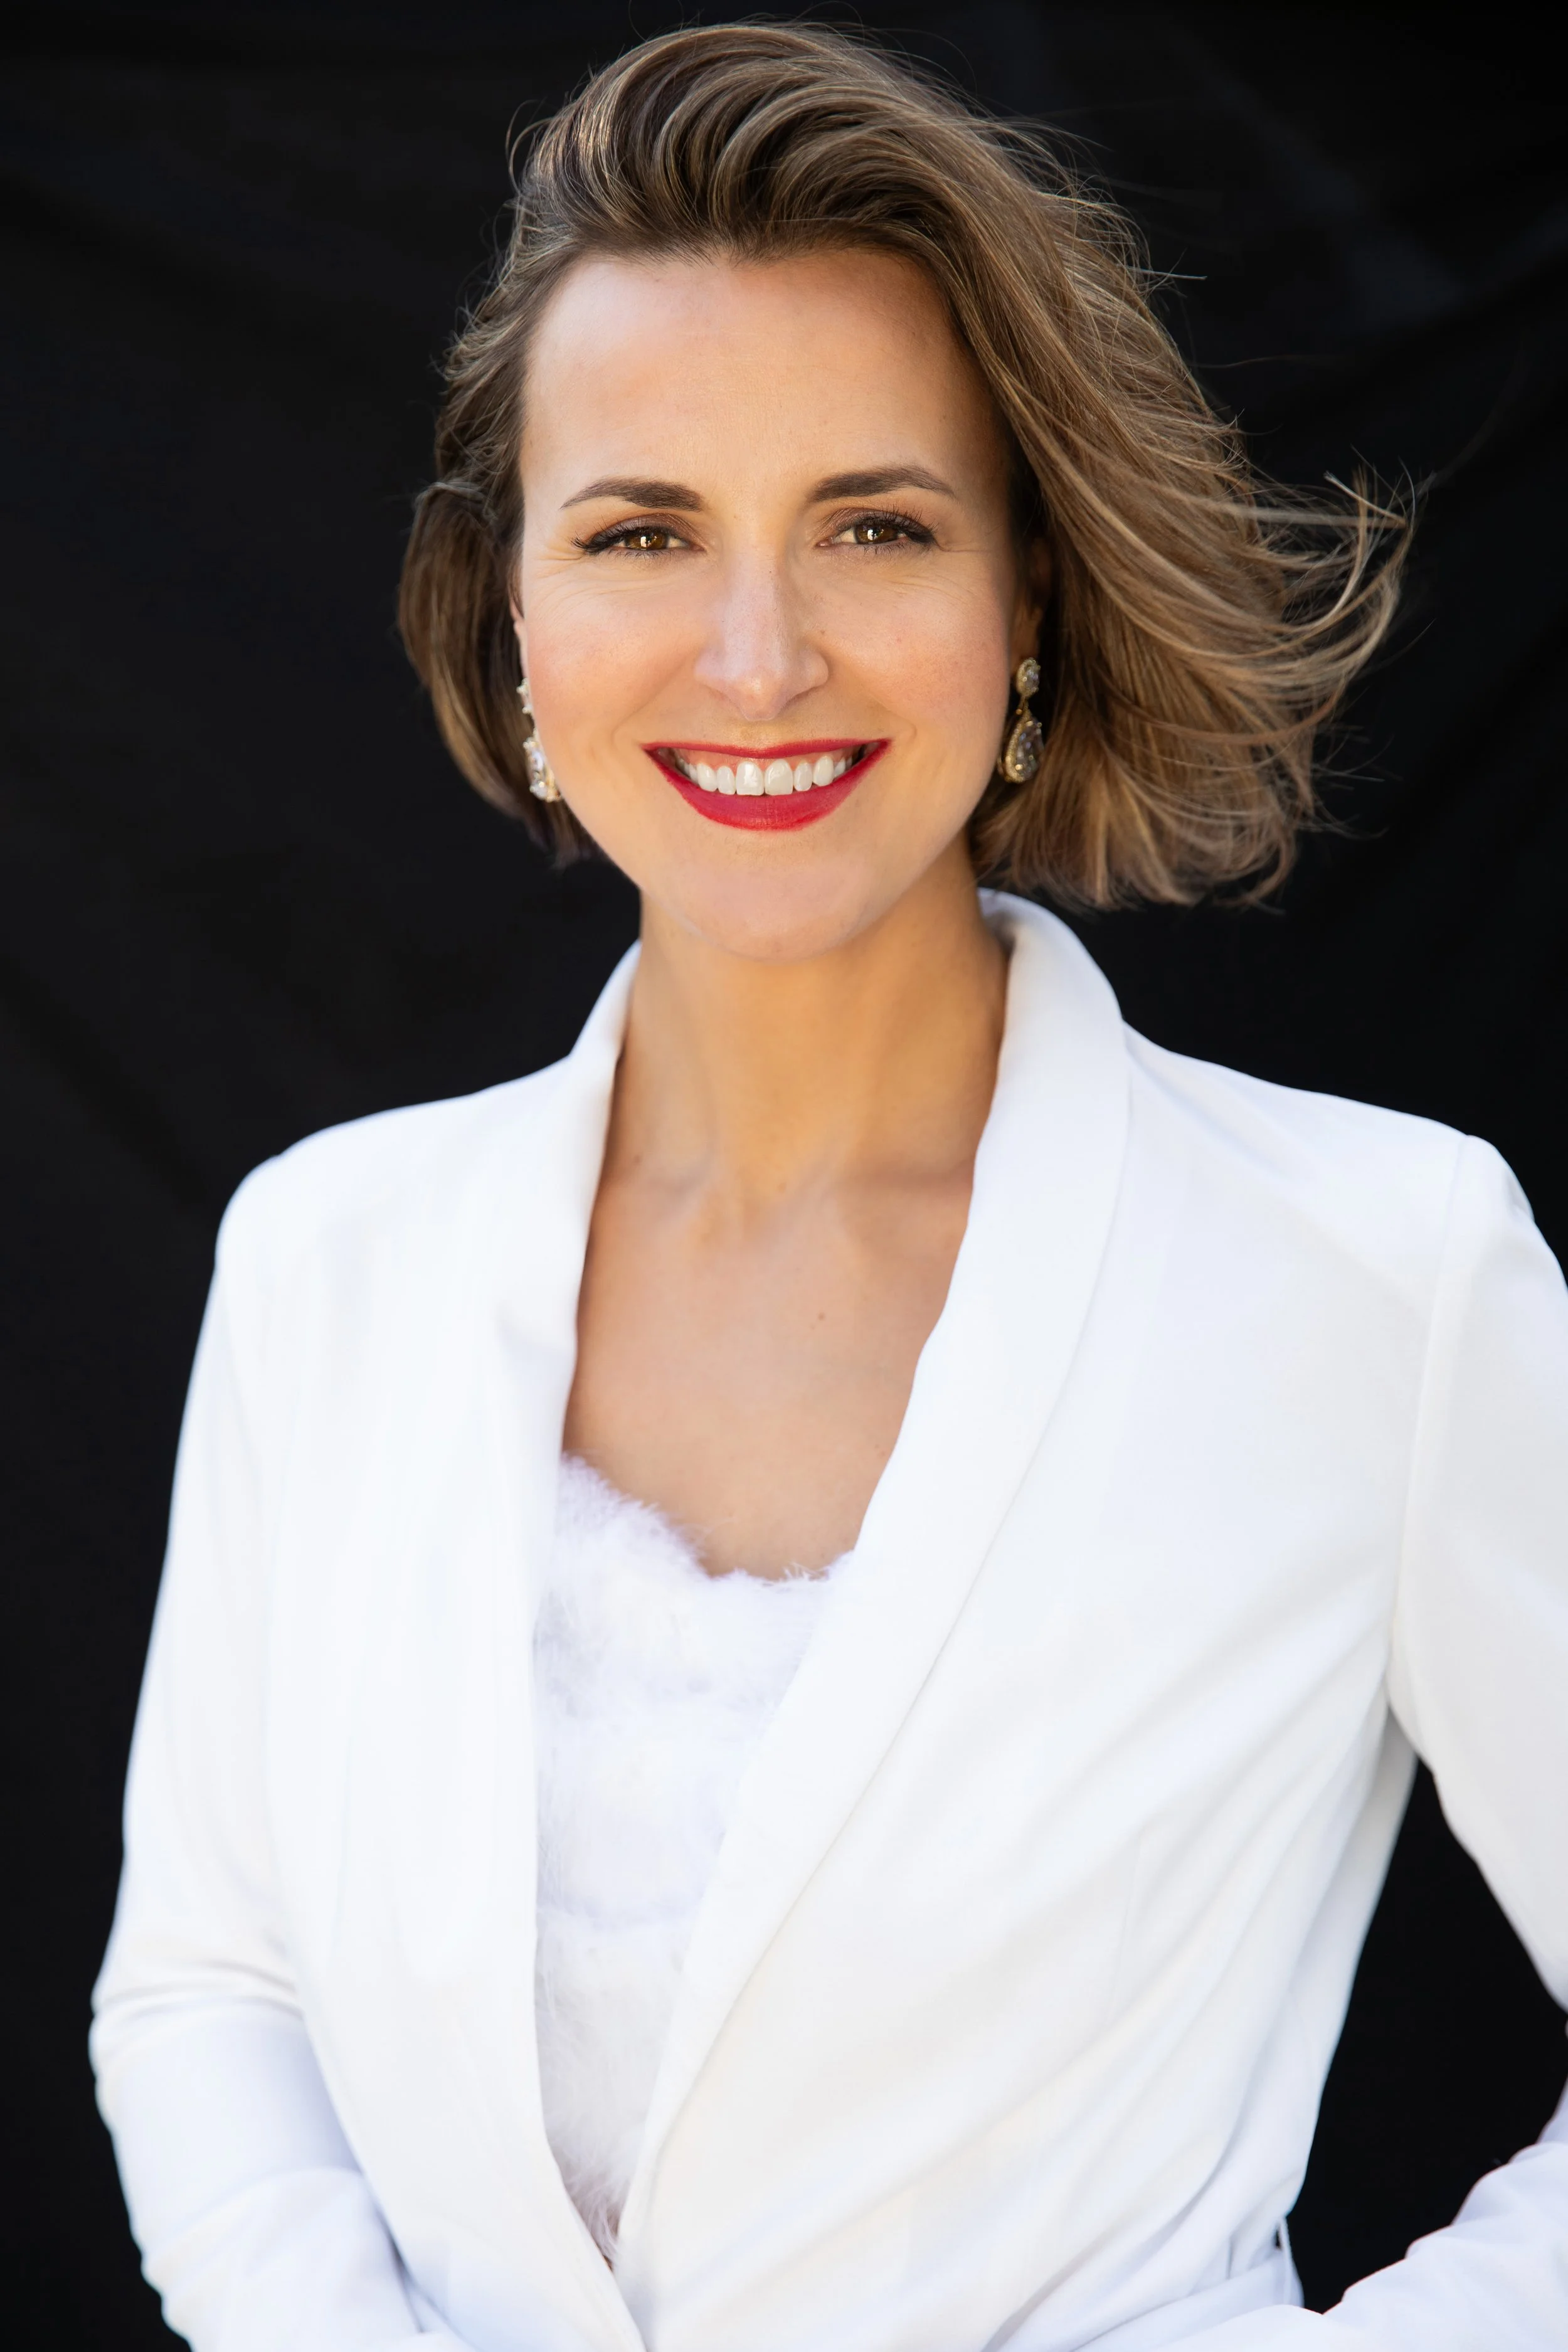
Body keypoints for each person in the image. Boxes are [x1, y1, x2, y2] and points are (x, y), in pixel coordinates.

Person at [90, 24, 1567, 2352]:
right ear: (510, 621)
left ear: (1031, 610)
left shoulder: (1373, 1276)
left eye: (874, 525)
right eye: (640, 530)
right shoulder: (324, 1263)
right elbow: (206, 1986)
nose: (756, 652)